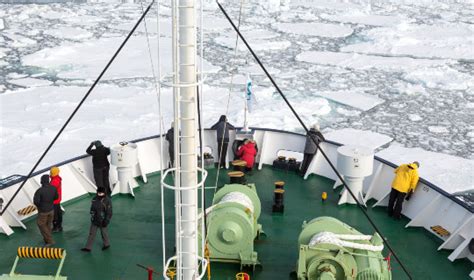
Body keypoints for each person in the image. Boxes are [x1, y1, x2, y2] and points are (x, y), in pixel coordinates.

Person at [81, 187, 113, 252]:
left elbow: (109, 212)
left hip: (103, 220)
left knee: (104, 233)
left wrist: (106, 220)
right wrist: (92, 213)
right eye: (98, 193)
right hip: (95, 220)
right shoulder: (94, 199)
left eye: (101, 193)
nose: (100, 194)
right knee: (91, 233)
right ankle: (88, 247)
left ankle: (106, 244)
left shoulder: (107, 200)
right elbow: (92, 208)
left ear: (104, 193)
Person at [33, 174, 58, 247]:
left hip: (43, 212)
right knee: (48, 224)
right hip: (51, 210)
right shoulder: (53, 188)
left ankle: (50, 241)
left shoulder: (39, 191)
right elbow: (56, 197)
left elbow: (36, 202)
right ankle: (47, 239)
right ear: (48, 180)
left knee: (40, 224)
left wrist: (41, 206)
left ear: (41, 181)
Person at [50, 166, 63, 232]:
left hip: (54, 201)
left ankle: (56, 227)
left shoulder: (53, 182)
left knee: (55, 215)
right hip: (58, 199)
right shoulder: (58, 179)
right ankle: (59, 226)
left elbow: (51, 192)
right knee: (58, 212)